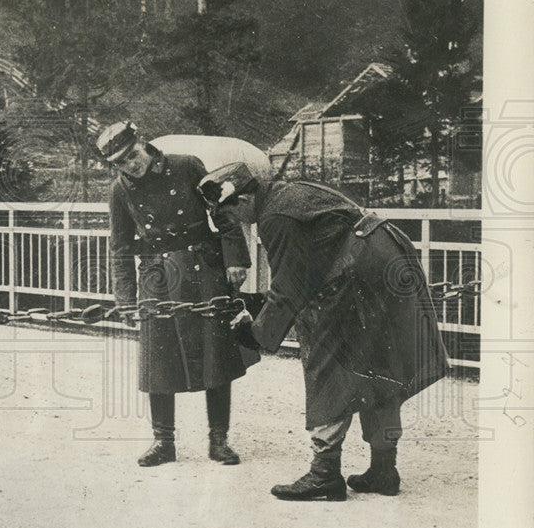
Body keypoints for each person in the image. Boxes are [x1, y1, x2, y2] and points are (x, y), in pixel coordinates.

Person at [198, 162, 450, 500]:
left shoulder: (275, 216)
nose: (236, 223)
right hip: (385, 262)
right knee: (379, 368)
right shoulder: (286, 192)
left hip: (361, 273)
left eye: (231, 215)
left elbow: (290, 286)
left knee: (326, 363)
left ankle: (325, 474)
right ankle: (383, 470)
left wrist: (256, 335)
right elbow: (307, 267)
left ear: (242, 200)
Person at [97, 121, 259, 467]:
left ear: (142, 143)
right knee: (158, 361)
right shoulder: (120, 190)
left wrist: (235, 258)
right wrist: (125, 299)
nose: (131, 165)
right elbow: (121, 247)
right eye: (121, 163)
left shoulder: (187, 166)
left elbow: (224, 209)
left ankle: (219, 440)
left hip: (204, 267)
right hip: (157, 277)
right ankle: (163, 442)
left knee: (216, 356)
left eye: (132, 156)